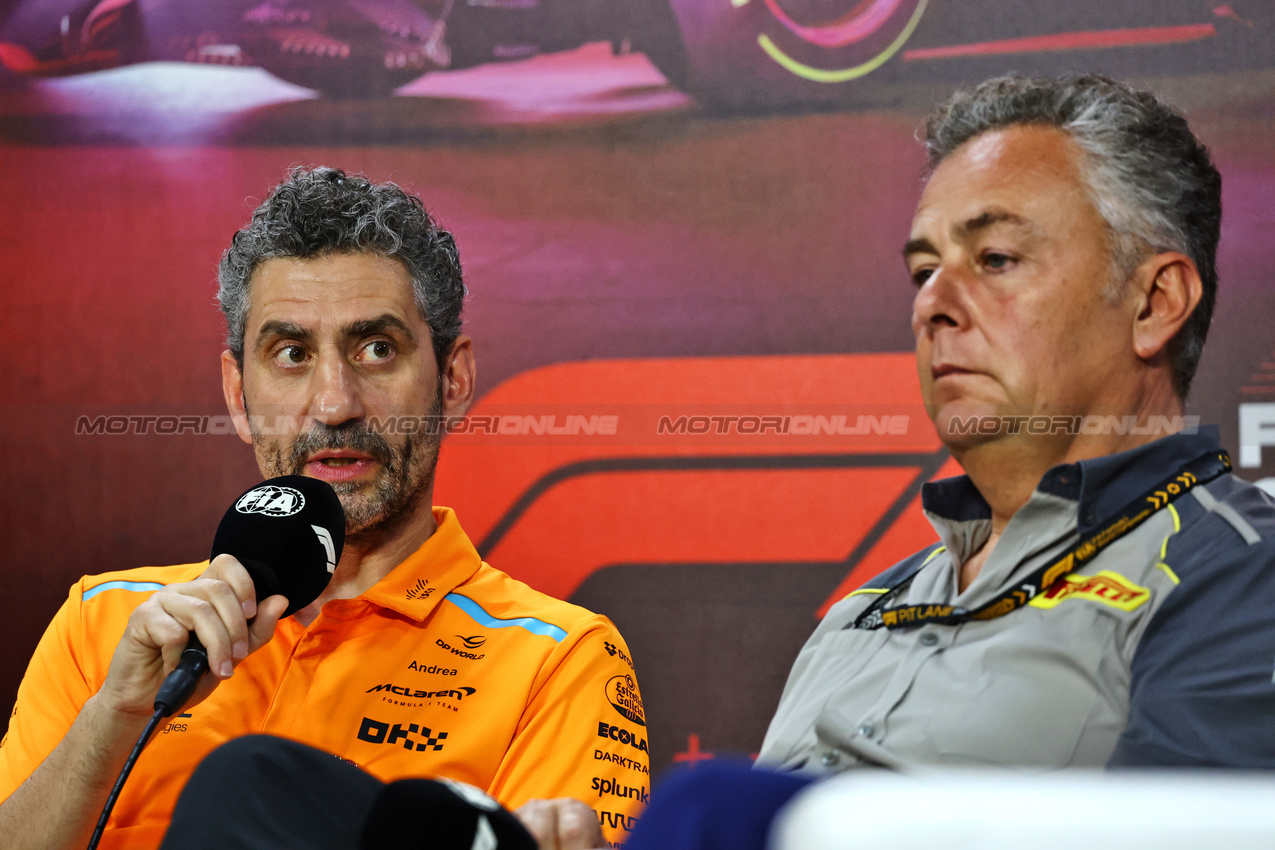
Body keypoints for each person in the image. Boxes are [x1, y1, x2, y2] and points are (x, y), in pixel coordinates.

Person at [624, 72, 1275, 849]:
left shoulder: (1238, 573)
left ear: (1154, 302)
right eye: (921, 269)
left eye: (994, 257)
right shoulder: (860, 609)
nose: (931, 300)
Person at [0, 167, 647, 850]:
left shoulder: (558, 659)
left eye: (376, 349)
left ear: (452, 381)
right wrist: (116, 716)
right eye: (291, 354)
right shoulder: (103, 621)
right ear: (236, 394)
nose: (335, 404)